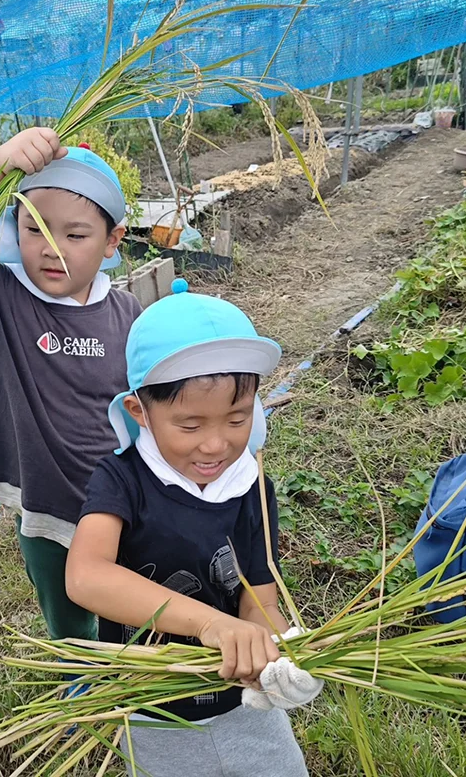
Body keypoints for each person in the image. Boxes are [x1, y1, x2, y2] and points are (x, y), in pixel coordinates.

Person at [65, 279, 323, 777]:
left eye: (237, 419)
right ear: (140, 411)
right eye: (190, 425)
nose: (215, 445)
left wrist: (284, 654)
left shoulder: (250, 485)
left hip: (243, 704)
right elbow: (86, 577)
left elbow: (258, 601)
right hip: (154, 709)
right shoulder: (122, 480)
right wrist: (209, 624)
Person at [0, 129, 142, 641]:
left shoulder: (128, 312)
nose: (52, 249)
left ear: (112, 241)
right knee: (68, 619)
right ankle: (79, 671)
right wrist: (0, 162)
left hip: (122, 501)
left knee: (126, 610)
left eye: (75, 235)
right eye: (35, 229)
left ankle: (127, 669)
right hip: (45, 506)